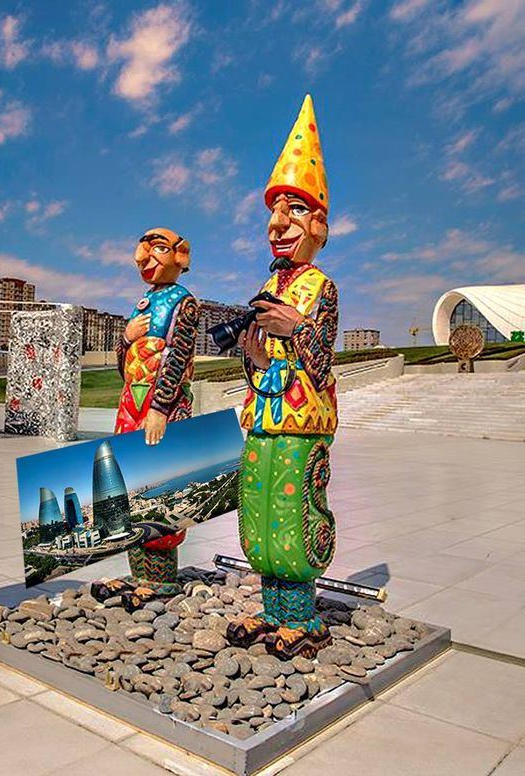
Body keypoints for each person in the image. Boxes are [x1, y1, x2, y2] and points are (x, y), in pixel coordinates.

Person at [226, 95, 340, 660]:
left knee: (294, 512)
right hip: (264, 416)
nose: (277, 224)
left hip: (302, 419)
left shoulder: (322, 288)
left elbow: (321, 363)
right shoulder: (270, 287)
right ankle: (272, 609)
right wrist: (252, 355)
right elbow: (263, 363)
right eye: (274, 213)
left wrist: (295, 326)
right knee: (258, 511)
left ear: (318, 224)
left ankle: (299, 615)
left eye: (293, 210)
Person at [90, 228, 200, 609]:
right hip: (131, 405)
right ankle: (139, 574)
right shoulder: (144, 303)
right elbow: (123, 368)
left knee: (160, 486)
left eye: (158, 249)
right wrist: (125, 338)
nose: (145, 259)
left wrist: (160, 407)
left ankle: (160, 578)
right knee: (130, 486)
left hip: (159, 409)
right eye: (144, 250)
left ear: (179, 256)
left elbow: (179, 357)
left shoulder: (185, 303)